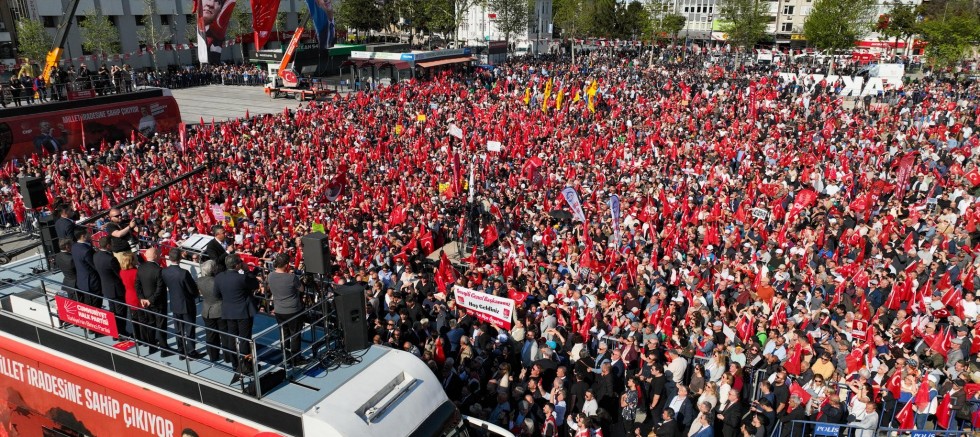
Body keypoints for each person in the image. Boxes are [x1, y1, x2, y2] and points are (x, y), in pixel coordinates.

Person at [214, 254, 259, 381]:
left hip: (228, 311)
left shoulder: (219, 277)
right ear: (237, 265)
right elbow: (255, 284)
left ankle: (235, 364)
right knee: (245, 339)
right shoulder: (242, 277)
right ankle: (246, 366)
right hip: (243, 313)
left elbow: (216, 295)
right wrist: (246, 270)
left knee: (232, 337)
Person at [161, 249, 202, 359]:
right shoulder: (184, 273)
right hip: (187, 305)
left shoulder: (164, 272)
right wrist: (195, 294)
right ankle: (191, 352)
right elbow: (193, 290)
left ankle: (181, 351)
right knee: (189, 329)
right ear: (180, 258)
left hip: (174, 304)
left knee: (178, 329)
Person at [267, 253, 307, 366]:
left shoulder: (270, 276)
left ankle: (286, 356)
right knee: (295, 335)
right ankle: (296, 358)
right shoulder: (291, 277)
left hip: (279, 311)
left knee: (284, 334)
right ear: (286, 265)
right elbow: (301, 288)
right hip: (293, 311)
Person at [93, 235, 128, 336]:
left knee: (112, 311)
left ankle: (114, 332)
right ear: (108, 246)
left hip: (106, 288)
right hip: (116, 289)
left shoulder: (96, 255)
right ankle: (121, 333)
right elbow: (119, 274)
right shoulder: (111, 259)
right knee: (120, 312)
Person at [135, 247, 168, 354]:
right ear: (154, 256)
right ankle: (164, 349)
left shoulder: (141, 268)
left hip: (146, 302)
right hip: (158, 303)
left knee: (151, 324)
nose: (160, 255)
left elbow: (137, 285)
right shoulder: (159, 270)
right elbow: (160, 288)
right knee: (161, 325)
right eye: (159, 253)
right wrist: (150, 300)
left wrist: (142, 299)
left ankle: (152, 347)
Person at [197, 260, 228, 362]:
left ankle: (213, 356)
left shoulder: (199, 280)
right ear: (213, 269)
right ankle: (228, 357)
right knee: (224, 335)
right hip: (219, 311)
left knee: (210, 335)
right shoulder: (217, 281)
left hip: (207, 310)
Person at [118, 252, 142, 343]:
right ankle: (142, 338)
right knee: (141, 319)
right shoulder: (136, 272)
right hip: (137, 297)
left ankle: (137, 337)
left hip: (129, 296)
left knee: (134, 318)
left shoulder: (122, 272)